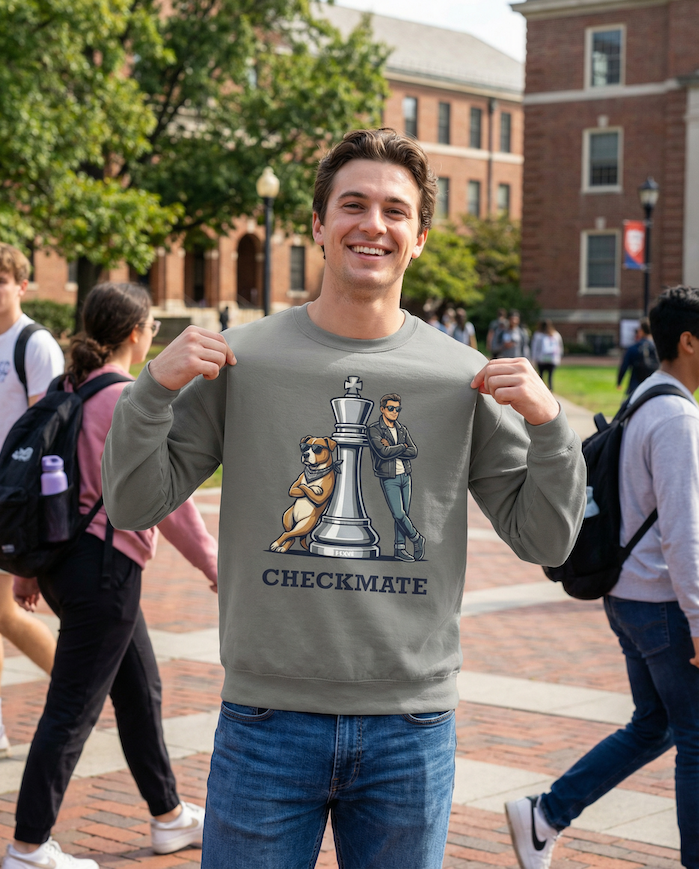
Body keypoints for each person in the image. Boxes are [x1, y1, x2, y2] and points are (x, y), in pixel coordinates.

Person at [102, 128, 586, 869]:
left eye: (395, 210)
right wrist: (150, 394)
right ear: (318, 227)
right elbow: (133, 503)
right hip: (266, 718)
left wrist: (552, 429)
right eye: (352, 204)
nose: (373, 224)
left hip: (410, 725)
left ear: (419, 236)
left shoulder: (463, 375)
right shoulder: (242, 358)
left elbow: (547, 541)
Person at [4, 283, 218, 869]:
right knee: (71, 709)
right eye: (150, 327)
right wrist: (210, 560)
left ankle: (169, 816)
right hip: (105, 569)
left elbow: (53, 485)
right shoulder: (127, 396)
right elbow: (168, 499)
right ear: (137, 332)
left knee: (139, 692)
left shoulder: (64, 387)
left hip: (68, 565)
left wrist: (30, 571)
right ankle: (27, 847)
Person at [505, 286, 699, 869]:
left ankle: (546, 813)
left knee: (655, 725)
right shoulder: (677, 418)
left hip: (628, 599)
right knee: (694, 739)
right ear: (689, 341)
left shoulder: (644, 399)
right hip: (664, 604)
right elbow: (684, 532)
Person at [0, 243, 62, 759]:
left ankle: (82, 686)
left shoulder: (34, 345)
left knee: (4, 613)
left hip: (12, 502)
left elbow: (48, 432)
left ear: (21, 285)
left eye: (2, 280)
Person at [367, 393, 424, 562]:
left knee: (404, 514)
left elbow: (413, 451)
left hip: (405, 475)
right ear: (382, 409)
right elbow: (382, 453)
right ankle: (416, 538)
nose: (394, 412)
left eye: (397, 409)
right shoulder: (374, 429)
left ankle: (400, 549)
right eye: (390, 408)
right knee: (398, 514)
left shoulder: (401, 429)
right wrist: (402, 447)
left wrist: (393, 446)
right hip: (389, 476)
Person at [617, 316, 659, 395]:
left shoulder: (633, 348)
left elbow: (624, 366)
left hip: (635, 387)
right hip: (653, 387)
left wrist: (619, 382)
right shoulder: (658, 349)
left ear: (641, 331)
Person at [530, 319, 563, 390]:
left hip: (541, 359)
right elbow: (560, 347)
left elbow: (535, 348)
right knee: (550, 377)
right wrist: (558, 358)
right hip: (552, 359)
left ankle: (541, 390)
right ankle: (551, 390)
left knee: (541, 376)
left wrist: (534, 359)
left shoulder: (538, 335)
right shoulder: (555, 334)